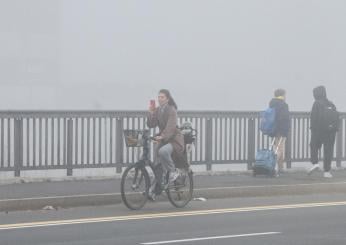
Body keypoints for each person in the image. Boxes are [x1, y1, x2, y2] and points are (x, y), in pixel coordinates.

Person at [147, 89, 184, 196]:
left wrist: (162, 137)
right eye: (158, 97)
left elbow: (171, 127)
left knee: (163, 151)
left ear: (167, 99)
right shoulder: (158, 110)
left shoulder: (172, 110)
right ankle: (154, 190)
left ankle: (173, 172)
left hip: (175, 140)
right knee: (157, 165)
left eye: (162, 97)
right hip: (164, 139)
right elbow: (151, 124)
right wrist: (151, 112)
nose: (159, 99)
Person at [308, 86, 339, 178]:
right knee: (328, 151)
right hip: (330, 131)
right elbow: (336, 117)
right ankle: (327, 171)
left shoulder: (316, 103)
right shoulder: (331, 104)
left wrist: (313, 129)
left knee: (313, 145)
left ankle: (315, 163)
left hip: (319, 131)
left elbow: (313, 118)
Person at [269, 88, 290, 175]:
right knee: (279, 149)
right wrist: (285, 129)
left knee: (277, 147)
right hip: (281, 130)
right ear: (282, 95)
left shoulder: (272, 103)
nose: (286, 96)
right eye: (285, 94)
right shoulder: (283, 105)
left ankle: (280, 168)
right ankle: (272, 166)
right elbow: (284, 118)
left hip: (273, 129)